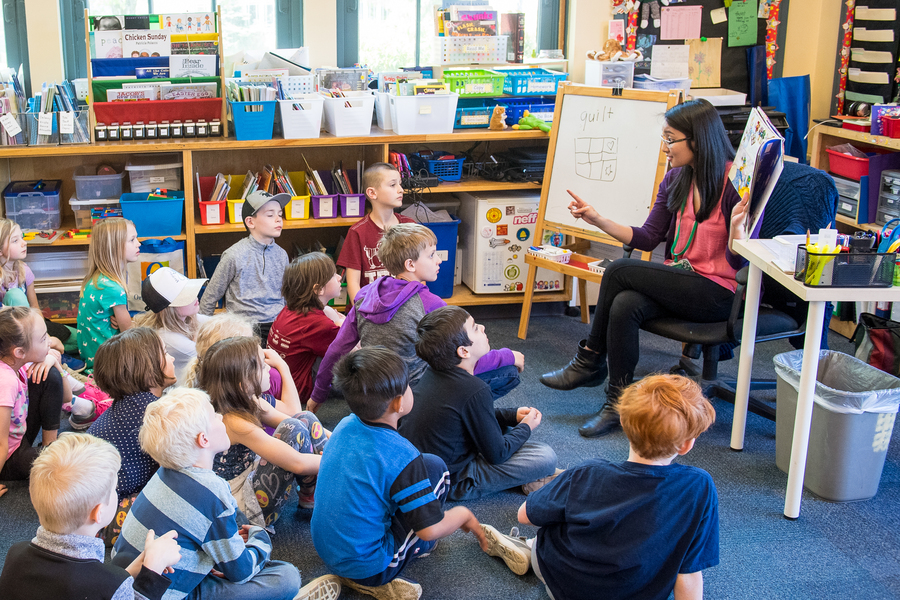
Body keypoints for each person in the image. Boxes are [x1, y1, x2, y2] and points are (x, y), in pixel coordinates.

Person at [540, 98, 750, 437]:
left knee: (621, 270)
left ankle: (591, 359)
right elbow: (648, 237)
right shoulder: (676, 179)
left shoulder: (736, 185)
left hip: (719, 292)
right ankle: (618, 403)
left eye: (670, 138)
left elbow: (744, 264)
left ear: (697, 139)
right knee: (626, 304)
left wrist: (739, 232)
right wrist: (596, 219)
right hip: (682, 280)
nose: (664, 147)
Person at [480, 375, 720, 600]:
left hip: (566, 587)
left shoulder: (590, 473)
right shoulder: (699, 486)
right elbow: (689, 570)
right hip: (640, 591)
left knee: (556, 521)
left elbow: (525, 515)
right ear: (686, 445)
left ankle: (528, 545)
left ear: (624, 425)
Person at [112, 387, 340, 600]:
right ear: (204, 439)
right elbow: (240, 572)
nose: (221, 418)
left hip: (127, 584)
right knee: (287, 577)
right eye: (215, 416)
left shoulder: (165, 471)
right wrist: (259, 538)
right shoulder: (211, 492)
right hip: (172, 593)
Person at [311, 346, 488, 600]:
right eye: (408, 386)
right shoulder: (403, 455)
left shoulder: (344, 424)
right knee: (434, 491)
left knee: (432, 465)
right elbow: (428, 529)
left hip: (325, 547)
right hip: (368, 566)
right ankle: (403, 561)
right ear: (398, 402)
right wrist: (462, 515)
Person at [309, 223, 523, 413]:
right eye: (431, 255)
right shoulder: (432, 304)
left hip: (374, 394)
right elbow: (464, 354)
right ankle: (456, 416)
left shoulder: (365, 295)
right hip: (417, 398)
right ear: (410, 265)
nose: (439, 260)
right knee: (510, 373)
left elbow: (338, 348)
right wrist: (508, 356)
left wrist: (317, 395)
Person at [400, 306, 559, 501]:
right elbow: (498, 454)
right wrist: (526, 426)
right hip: (454, 482)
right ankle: (532, 478)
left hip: (428, 469)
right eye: (475, 327)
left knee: (506, 430)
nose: (483, 327)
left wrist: (511, 415)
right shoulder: (474, 388)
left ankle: (529, 476)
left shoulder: (432, 374)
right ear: (464, 351)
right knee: (545, 457)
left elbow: (469, 416)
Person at [0, 432, 181, 600]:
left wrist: (140, 565)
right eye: (113, 490)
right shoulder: (109, 585)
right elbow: (109, 588)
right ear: (98, 513)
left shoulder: (15, 554)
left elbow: (99, 584)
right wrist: (152, 572)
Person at [199, 336, 325, 528]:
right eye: (263, 366)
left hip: (251, 475)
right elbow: (297, 464)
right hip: (244, 506)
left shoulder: (250, 401)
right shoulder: (234, 421)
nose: (269, 369)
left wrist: (343, 443)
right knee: (294, 428)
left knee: (304, 417)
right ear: (243, 382)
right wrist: (340, 459)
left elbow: (297, 418)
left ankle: (313, 494)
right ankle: (331, 490)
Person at [87, 328, 177, 502]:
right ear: (148, 371)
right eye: (165, 353)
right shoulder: (154, 412)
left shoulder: (131, 403)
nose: (172, 358)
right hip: (116, 507)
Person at [199, 190, 290, 346]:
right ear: (250, 222)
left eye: (280, 214)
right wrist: (200, 337)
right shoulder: (233, 255)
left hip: (277, 327)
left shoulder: (282, 255)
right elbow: (210, 296)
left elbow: (288, 296)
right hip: (242, 330)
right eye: (270, 215)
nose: (278, 219)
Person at [0, 306, 70, 498]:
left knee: (50, 375)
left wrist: (54, 362)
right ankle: (48, 454)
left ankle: (49, 445)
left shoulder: (16, 363)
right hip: (6, 456)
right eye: (43, 339)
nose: (49, 342)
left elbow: (67, 398)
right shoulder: (4, 381)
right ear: (20, 352)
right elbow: (0, 444)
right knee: (62, 464)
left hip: (16, 437)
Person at [267, 252, 345, 403]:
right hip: (299, 391)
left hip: (282, 383)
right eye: (333, 275)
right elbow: (351, 347)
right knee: (358, 356)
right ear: (319, 289)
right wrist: (343, 324)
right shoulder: (317, 324)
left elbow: (326, 313)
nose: (339, 277)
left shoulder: (292, 308)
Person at [338, 162, 416, 303]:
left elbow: (419, 276)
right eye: (393, 185)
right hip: (369, 311)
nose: (401, 190)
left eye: (400, 184)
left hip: (403, 308)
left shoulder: (410, 226)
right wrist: (364, 314)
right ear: (372, 193)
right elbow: (353, 284)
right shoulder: (357, 232)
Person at [77, 218, 142, 370]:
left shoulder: (97, 279)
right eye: (132, 240)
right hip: (110, 364)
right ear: (114, 247)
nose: (138, 243)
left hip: (93, 356)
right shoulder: (112, 288)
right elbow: (129, 333)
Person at [133, 267, 209, 385]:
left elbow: (222, 325)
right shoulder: (167, 338)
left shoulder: (185, 318)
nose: (195, 297)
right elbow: (212, 357)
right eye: (186, 297)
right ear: (170, 309)